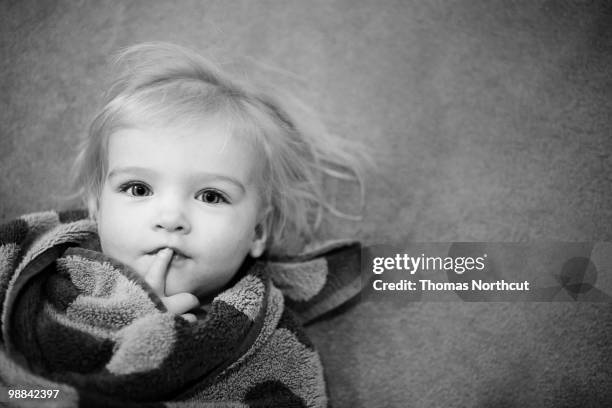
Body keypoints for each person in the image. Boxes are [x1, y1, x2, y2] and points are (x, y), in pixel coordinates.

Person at [0, 42, 366, 407]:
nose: (171, 218)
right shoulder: (39, 261)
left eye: (210, 196)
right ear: (97, 207)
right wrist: (125, 316)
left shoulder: (269, 344)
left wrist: (159, 342)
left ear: (258, 231)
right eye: (138, 188)